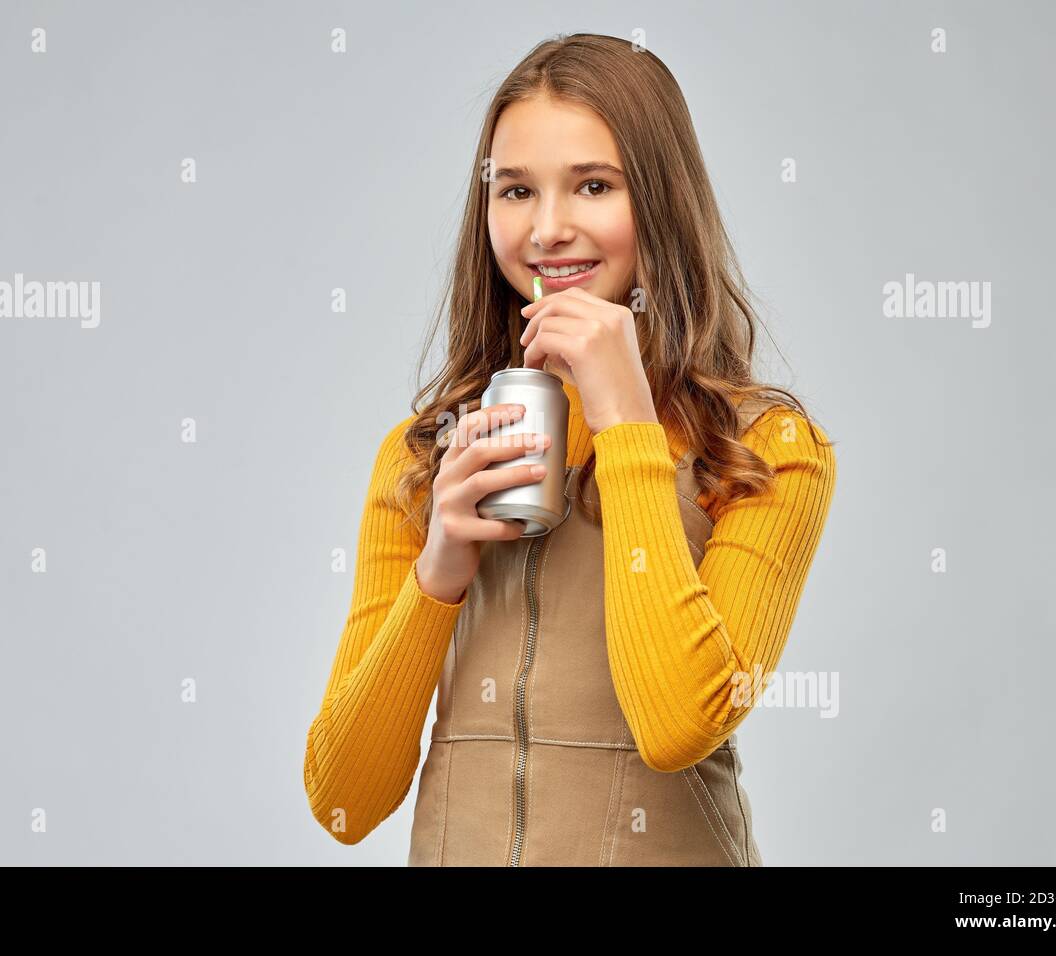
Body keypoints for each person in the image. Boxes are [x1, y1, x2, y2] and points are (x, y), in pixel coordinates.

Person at [304, 33, 837, 866]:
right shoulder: (421, 461)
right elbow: (342, 801)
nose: (548, 230)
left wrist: (626, 425)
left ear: (660, 201)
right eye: (516, 190)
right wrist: (439, 570)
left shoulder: (766, 449)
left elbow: (677, 726)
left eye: (593, 185)